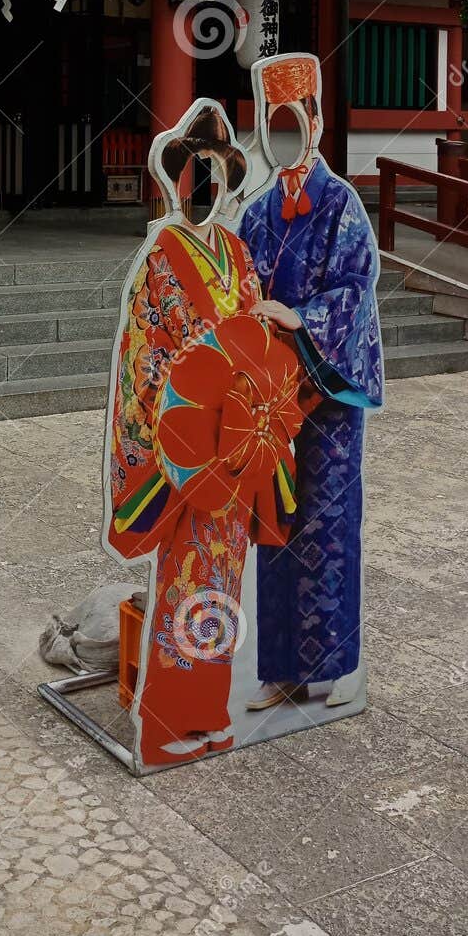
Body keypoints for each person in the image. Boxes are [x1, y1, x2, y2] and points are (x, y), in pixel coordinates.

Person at [104, 101, 311, 769]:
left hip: (236, 446)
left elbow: (251, 332)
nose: (206, 186)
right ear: (174, 178)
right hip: (188, 447)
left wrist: (266, 353)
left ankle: (209, 713)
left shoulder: (238, 250)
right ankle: (169, 720)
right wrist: (194, 398)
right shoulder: (160, 254)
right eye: (196, 172)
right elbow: (149, 356)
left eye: (217, 174)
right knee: (185, 579)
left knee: (222, 579)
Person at [237, 53, 383, 715]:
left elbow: (356, 288)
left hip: (325, 397)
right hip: (270, 401)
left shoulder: (342, 204)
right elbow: (240, 294)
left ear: (318, 122)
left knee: (327, 526)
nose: (287, 134)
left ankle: (337, 667)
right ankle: (281, 671)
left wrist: (302, 319)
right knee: (275, 526)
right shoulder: (258, 212)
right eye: (276, 124)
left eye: (296, 119)